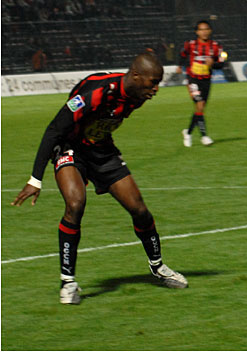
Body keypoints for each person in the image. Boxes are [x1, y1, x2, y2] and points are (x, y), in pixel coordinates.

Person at [11, 53, 188, 305]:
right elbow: (54, 130)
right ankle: (68, 282)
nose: (156, 89)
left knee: (139, 209)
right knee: (75, 204)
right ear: (136, 76)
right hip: (70, 147)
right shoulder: (97, 92)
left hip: (101, 150)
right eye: (153, 82)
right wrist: (35, 179)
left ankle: (158, 267)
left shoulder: (138, 95)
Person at [179, 20, 224, 147]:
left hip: (206, 80)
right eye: (201, 29)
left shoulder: (216, 46)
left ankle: (188, 132)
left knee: (200, 109)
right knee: (199, 105)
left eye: (206, 29)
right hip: (192, 79)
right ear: (197, 32)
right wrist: (179, 66)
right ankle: (204, 136)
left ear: (210, 31)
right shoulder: (190, 44)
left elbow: (222, 63)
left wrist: (213, 64)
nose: (204, 32)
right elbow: (182, 55)